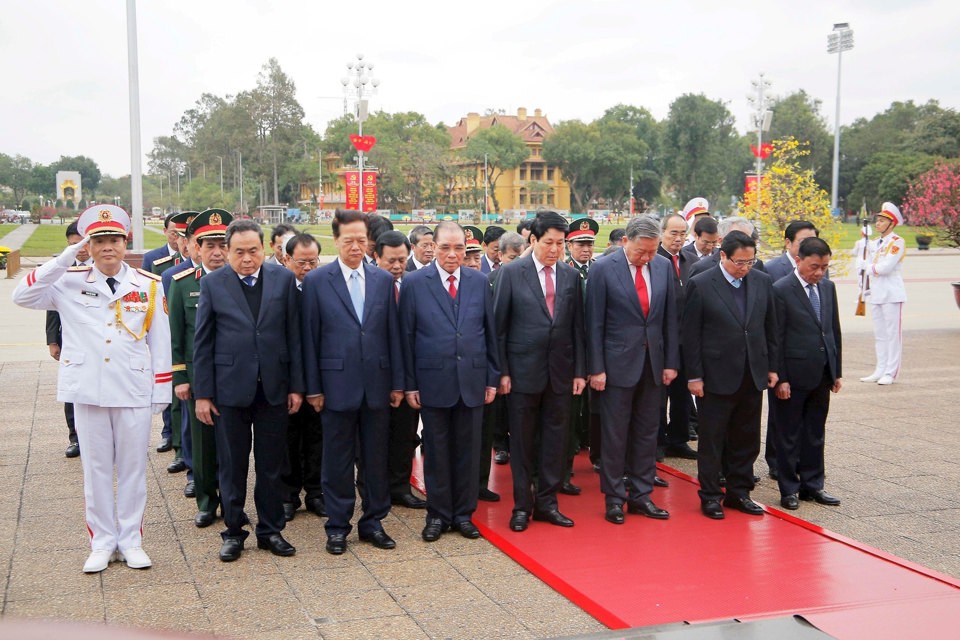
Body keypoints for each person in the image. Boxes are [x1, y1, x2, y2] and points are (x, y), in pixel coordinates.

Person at [13, 204, 171, 573]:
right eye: (98, 241)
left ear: (125, 241)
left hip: (132, 387)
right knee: (96, 469)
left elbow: (161, 342)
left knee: (133, 469)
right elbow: (22, 295)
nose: (107, 248)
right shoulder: (68, 280)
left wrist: (161, 390)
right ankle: (101, 542)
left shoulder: (148, 284)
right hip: (88, 388)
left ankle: (131, 540)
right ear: (89, 245)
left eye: (113, 239)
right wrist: (67, 256)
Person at [193, 219, 304, 562]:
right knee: (232, 465)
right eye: (239, 252)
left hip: (273, 389)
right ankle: (233, 531)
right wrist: (203, 394)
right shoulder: (213, 284)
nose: (247, 258)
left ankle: (270, 531)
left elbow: (294, 337)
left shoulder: (283, 279)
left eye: (253, 250)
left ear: (264, 249)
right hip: (230, 391)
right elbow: (203, 343)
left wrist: (297, 387)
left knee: (271, 465)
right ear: (227, 252)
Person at [301, 210, 404, 555]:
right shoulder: (318, 281)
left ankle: (373, 522)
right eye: (349, 241)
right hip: (335, 387)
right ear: (336, 241)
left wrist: (397, 383)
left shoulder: (381, 280)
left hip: (377, 385)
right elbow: (309, 339)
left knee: (376, 460)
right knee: (337, 461)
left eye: (362, 240)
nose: (357, 246)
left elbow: (393, 336)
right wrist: (313, 388)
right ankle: (337, 526)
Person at [399, 221, 499, 542]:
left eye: (459, 248)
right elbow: (407, 337)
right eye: (445, 248)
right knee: (437, 452)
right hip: (432, 383)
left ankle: (463, 514)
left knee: (469, 452)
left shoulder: (479, 281)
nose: (453, 255)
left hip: (472, 380)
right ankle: (438, 515)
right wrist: (410, 384)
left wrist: (491, 378)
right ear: (434, 247)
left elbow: (489, 333)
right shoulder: (414, 283)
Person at [494, 211, 586, 532]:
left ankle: (548, 502)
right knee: (521, 442)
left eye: (561, 243)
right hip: (521, 374)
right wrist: (502, 372)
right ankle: (522, 506)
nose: (555, 249)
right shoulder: (512, 273)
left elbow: (578, 328)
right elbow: (499, 329)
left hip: (560, 374)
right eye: (549, 242)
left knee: (555, 442)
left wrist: (579, 372)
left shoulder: (571, 276)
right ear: (533, 240)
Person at [586, 214, 680, 525]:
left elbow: (668, 320)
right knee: (614, 435)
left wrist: (670, 364)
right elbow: (594, 323)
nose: (647, 258)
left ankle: (642, 495)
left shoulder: (663, 267)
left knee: (647, 433)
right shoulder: (603, 268)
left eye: (653, 251)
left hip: (653, 365)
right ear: (626, 241)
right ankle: (614, 498)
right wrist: (596, 368)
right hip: (615, 366)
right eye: (641, 251)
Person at [683, 230, 779, 520]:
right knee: (712, 440)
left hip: (752, 373)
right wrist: (694, 376)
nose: (746, 267)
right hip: (715, 376)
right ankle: (711, 495)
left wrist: (772, 367)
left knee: (746, 437)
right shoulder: (701, 284)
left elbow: (770, 328)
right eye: (740, 262)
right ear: (723, 255)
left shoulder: (761, 281)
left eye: (751, 261)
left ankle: (740, 492)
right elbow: (691, 335)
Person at [168, 209, 233, 528]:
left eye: (222, 244)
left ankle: (233, 501)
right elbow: (177, 336)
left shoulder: (241, 279)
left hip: (234, 376)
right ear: (196, 247)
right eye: (210, 245)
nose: (217, 251)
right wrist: (180, 377)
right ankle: (207, 501)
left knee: (234, 446)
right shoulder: (181, 284)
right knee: (204, 444)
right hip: (198, 378)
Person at [772, 237, 842, 510]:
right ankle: (789, 488)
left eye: (824, 266)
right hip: (791, 376)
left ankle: (813, 485)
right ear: (798, 260)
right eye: (815, 266)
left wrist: (836, 371)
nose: (820, 272)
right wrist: (781, 377)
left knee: (815, 432)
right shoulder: (780, 289)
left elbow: (833, 331)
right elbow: (775, 338)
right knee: (788, 434)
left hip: (821, 374)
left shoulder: (827, 287)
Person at [762, 220, 820, 480]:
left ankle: (803, 466)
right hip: (782, 353)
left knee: (810, 423)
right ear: (788, 243)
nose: (807, 247)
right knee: (780, 416)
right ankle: (776, 460)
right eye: (802, 242)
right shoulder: (772, 269)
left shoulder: (818, 268)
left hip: (809, 360)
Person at [374, 230, 427, 510]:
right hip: (376, 376)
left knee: (405, 434)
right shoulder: (369, 286)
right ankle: (374, 490)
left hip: (408, 375)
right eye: (390, 261)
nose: (396, 266)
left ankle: (400, 486)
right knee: (374, 438)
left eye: (401, 260)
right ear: (376, 257)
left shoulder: (413, 285)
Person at [280, 233, 326, 522]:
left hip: (320, 376)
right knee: (287, 438)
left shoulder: (324, 287)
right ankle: (287, 495)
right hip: (286, 378)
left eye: (313, 261)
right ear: (287, 259)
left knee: (317, 437)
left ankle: (316, 491)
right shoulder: (278, 287)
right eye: (301, 262)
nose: (308, 267)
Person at [45, 221, 91, 459]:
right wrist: (53, 341)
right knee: (72, 390)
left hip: (98, 342)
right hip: (72, 342)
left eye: (84, 244)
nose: (81, 250)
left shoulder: (103, 268)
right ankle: (75, 438)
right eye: (75, 245)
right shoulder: (60, 270)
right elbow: (52, 311)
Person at [656, 213, 697, 461]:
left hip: (686, 340)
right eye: (674, 233)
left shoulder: (690, 261)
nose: (678, 238)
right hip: (661, 340)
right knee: (659, 395)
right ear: (662, 233)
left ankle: (678, 439)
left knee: (683, 394)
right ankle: (658, 441)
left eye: (683, 233)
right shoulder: (654, 260)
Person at [564, 218, 600, 490]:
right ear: (569, 245)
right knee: (571, 404)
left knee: (596, 405)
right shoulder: (565, 272)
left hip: (596, 347)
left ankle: (595, 448)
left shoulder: (599, 271)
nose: (586, 249)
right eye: (580, 244)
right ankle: (571, 446)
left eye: (589, 244)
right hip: (572, 348)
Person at [858, 202, 907, 385]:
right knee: (880, 334)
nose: (877, 223)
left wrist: (868, 267)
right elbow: (863, 258)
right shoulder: (875, 243)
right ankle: (880, 368)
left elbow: (885, 267)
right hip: (877, 293)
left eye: (882, 221)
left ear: (891, 223)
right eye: (877, 220)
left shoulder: (897, 242)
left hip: (892, 293)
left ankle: (891, 372)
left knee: (893, 335)